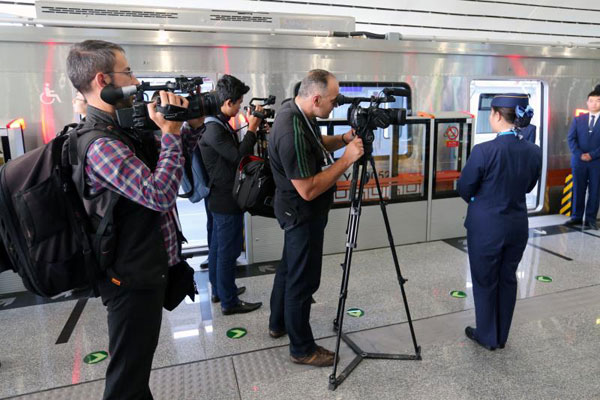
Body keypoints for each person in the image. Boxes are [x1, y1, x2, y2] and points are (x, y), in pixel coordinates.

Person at [67, 40, 204, 399]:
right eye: (128, 71)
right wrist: (171, 135)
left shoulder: (122, 130)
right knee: (127, 377)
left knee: (136, 369)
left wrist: (182, 127)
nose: (135, 78)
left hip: (146, 268)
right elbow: (158, 194)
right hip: (129, 278)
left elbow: (170, 166)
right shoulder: (101, 144)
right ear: (103, 80)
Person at [267, 69, 364, 366]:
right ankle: (302, 349)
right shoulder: (289, 129)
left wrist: (346, 138)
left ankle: (278, 323)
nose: (335, 106)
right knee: (302, 281)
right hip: (302, 213)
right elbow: (308, 189)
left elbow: (317, 144)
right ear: (317, 97)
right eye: (334, 102)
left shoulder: (297, 112)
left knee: (288, 270)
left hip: (294, 212)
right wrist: (347, 159)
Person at [457, 93, 542, 351]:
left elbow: (465, 187)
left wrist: (480, 198)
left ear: (496, 115)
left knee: (485, 281)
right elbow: (528, 186)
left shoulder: (484, 151)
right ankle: (501, 335)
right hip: (517, 225)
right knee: (507, 278)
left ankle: (486, 335)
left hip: (486, 228)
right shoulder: (533, 150)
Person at [199, 74, 263, 315]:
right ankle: (229, 302)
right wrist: (253, 130)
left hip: (219, 197)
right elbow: (238, 158)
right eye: (238, 103)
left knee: (217, 248)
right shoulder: (214, 129)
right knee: (228, 250)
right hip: (225, 199)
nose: (239, 107)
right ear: (227, 103)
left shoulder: (217, 123)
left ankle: (220, 290)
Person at [565, 88, 600, 230]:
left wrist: (592, 155)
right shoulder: (578, 119)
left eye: (598, 101)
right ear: (587, 102)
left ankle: (591, 219)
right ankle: (576, 217)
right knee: (578, 188)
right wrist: (580, 154)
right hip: (578, 161)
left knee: (595, 190)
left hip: (597, 162)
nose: (594, 104)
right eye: (591, 101)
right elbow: (571, 138)